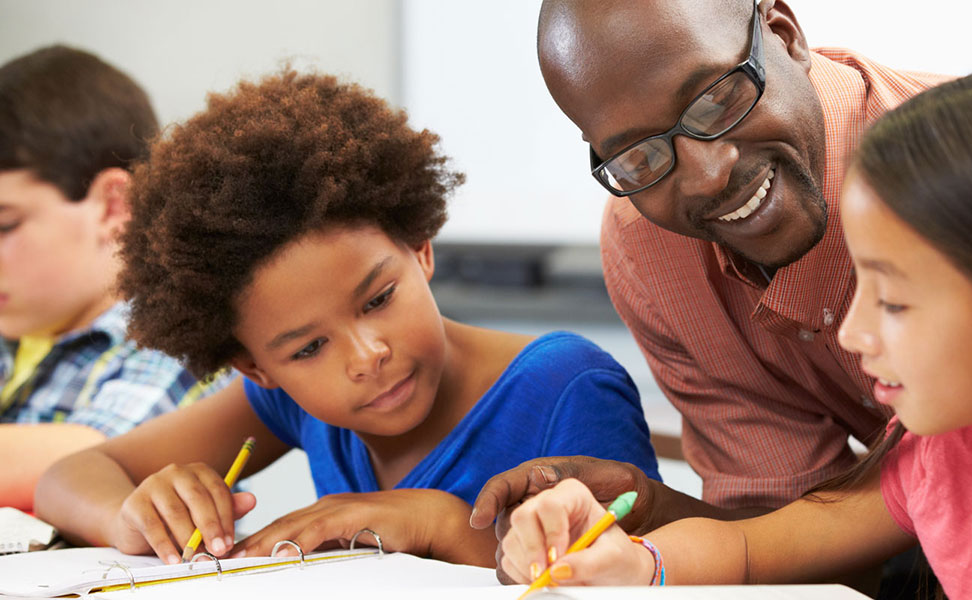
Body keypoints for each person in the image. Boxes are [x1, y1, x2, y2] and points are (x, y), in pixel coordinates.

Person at [471, 0, 972, 539]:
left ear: (785, 35)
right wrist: (651, 514)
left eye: (718, 98)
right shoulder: (651, 250)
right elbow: (799, 536)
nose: (707, 173)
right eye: (638, 155)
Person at [33, 69, 660, 567]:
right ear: (256, 367)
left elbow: (637, 573)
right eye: (308, 348)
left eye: (378, 299)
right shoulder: (286, 401)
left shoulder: (566, 387)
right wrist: (130, 516)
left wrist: (439, 525)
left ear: (420, 248)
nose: (366, 356)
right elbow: (68, 476)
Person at [0, 45, 227, 511]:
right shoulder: (19, 327)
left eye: (5, 225)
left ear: (113, 206)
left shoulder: (180, 337)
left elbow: (99, 465)